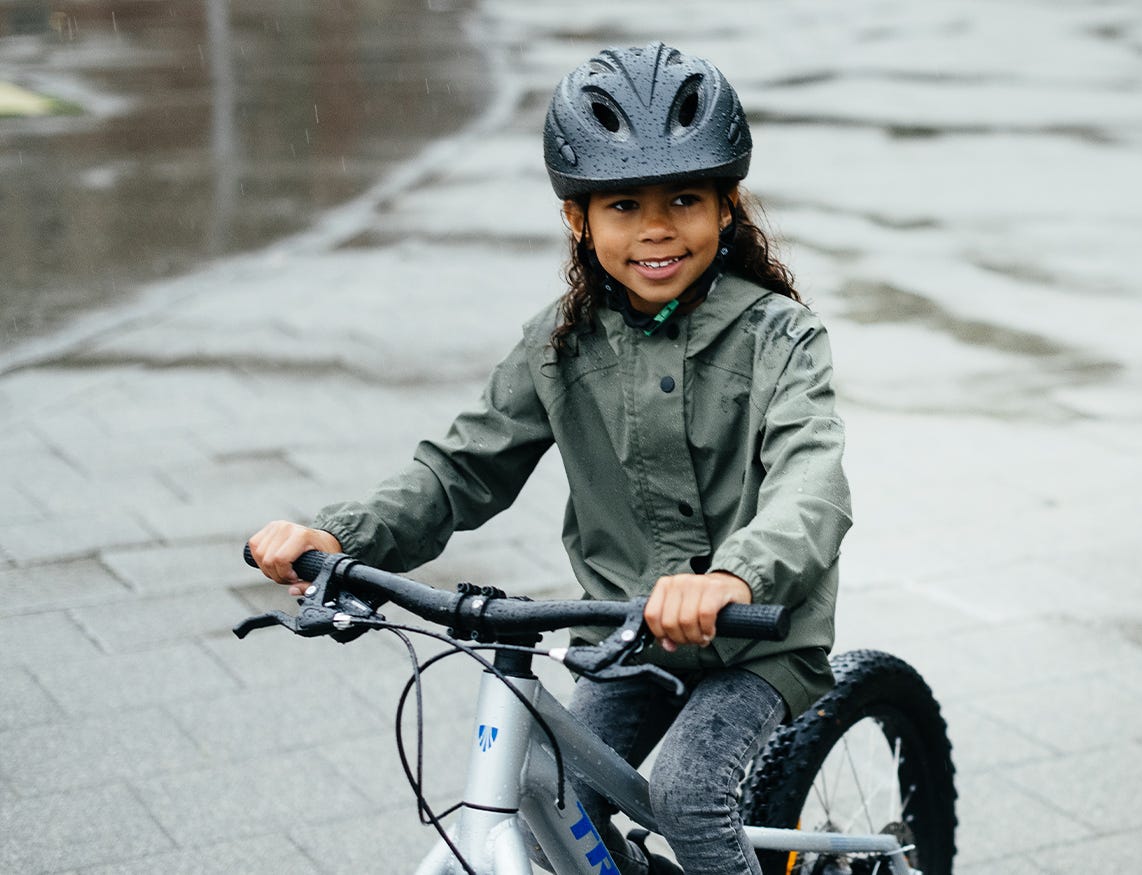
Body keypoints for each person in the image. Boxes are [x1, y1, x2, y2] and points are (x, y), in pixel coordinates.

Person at [248, 42, 851, 875]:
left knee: (686, 795)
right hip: (625, 633)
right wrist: (338, 537)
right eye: (622, 205)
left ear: (725, 206)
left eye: (683, 198)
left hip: (758, 640)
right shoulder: (558, 347)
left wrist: (734, 577)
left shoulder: (781, 337)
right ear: (579, 218)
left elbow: (809, 483)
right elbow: (461, 467)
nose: (655, 228)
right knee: (545, 789)